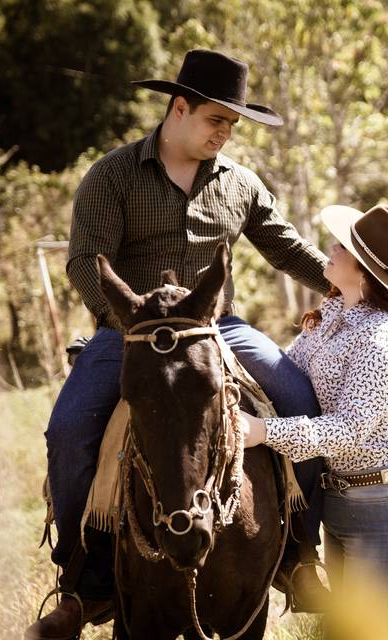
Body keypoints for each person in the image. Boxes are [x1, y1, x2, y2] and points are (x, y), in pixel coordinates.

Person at [26, 49, 329, 640]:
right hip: (129, 334)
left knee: (299, 397)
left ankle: (298, 555)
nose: (225, 133)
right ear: (179, 106)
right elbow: (87, 266)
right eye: (217, 119)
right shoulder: (112, 176)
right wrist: (132, 316)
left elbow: (287, 248)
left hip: (217, 330)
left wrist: (354, 286)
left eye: (233, 125)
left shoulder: (240, 184)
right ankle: (82, 581)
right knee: (68, 431)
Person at [240, 204, 388, 639]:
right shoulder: (331, 321)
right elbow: (287, 379)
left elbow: (346, 429)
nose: (329, 250)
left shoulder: (384, 339)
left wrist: (262, 432)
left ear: (364, 271)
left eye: (342, 246)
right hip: (343, 502)